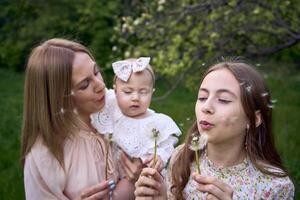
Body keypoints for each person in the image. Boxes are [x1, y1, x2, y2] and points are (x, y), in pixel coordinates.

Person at [134, 59, 295, 199]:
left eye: (223, 100)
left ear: (254, 119)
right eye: (202, 97)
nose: (206, 107)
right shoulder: (181, 157)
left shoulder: (275, 186)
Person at [21, 38, 143, 200]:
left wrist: (140, 176)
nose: (99, 84)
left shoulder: (119, 113)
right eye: (85, 84)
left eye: (96, 71)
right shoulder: (45, 154)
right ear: (60, 98)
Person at [90, 57, 181, 171]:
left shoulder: (157, 122)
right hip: (107, 168)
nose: (136, 98)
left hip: (139, 176)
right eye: (128, 92)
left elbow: (167, 145)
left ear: (151, 93)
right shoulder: (112, 105)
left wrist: (160, 157)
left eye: (143, 92)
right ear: (116, 91)